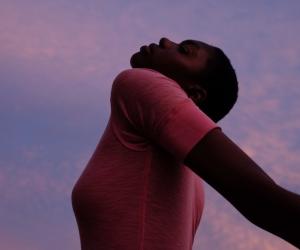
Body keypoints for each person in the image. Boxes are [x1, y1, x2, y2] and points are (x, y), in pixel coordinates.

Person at [71, 37, 300, 250]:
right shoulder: (192, 181)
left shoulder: (140, 83)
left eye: (184, 50)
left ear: (195, 94)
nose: (166, 41)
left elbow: (259, 196)